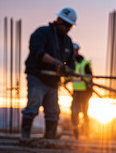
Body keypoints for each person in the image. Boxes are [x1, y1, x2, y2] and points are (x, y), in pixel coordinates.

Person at [21, 7, 77, 141]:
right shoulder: (42, 33)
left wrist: (69, 71)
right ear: (58, 20)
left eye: (70, 26)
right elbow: (38, 52)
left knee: (53, 111)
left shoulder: (67, 41)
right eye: (66, 25)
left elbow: (71, 63)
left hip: (53, 81)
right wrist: (57, 63)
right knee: (33, 105)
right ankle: (25, 136)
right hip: (38, 76)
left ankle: (50, 137)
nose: (67, 29)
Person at [65, 43, 93, 139]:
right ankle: (76, 135)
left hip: (84, 92)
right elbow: (68, 77)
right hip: (76, 92)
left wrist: (85, 79)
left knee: (84, 113)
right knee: (74, 113)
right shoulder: (71, 65)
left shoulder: (84, 63)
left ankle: (87, 134)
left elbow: (89, 77)